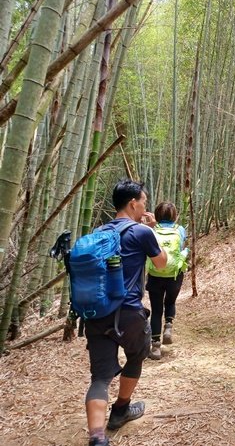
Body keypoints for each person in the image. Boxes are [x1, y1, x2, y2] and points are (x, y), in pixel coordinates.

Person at [85, 179, 167, 446]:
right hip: (130, 312)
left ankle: (97, 437)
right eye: (143, 201)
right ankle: (120, 410)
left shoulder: (99, 231)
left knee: (99, 378)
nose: (145, 206)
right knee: (136, 356)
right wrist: (152, 230)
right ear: (133, 203)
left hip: (97, 313)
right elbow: (162, 263)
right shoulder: (141, 232)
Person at [146, 202, 188, 360]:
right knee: (170, 302)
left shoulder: (151, 230)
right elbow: (181, 248)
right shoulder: (180, 230)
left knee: (156, 311)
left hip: (155, 274)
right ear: (175, 216)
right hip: (174, 275)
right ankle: (168, 326)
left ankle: (155, 348)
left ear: (156, 215)